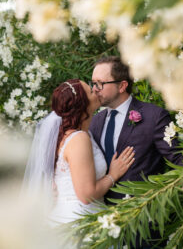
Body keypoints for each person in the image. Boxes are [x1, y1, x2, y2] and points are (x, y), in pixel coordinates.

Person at [89, 56, 183, 248]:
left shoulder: (154, 116)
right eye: (93, 83)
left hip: (144, 223)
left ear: (122, 85)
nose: (94, 89)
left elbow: (180, 163)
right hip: (102, 223)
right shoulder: (94, 122)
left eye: (100, 83)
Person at [23, 79, 135, 227]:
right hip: (79, 220)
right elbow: (86, 195)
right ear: (82, 105)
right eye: (90, 91)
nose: (95, 90)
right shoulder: (78, 139)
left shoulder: (78, 134)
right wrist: (113, 175)